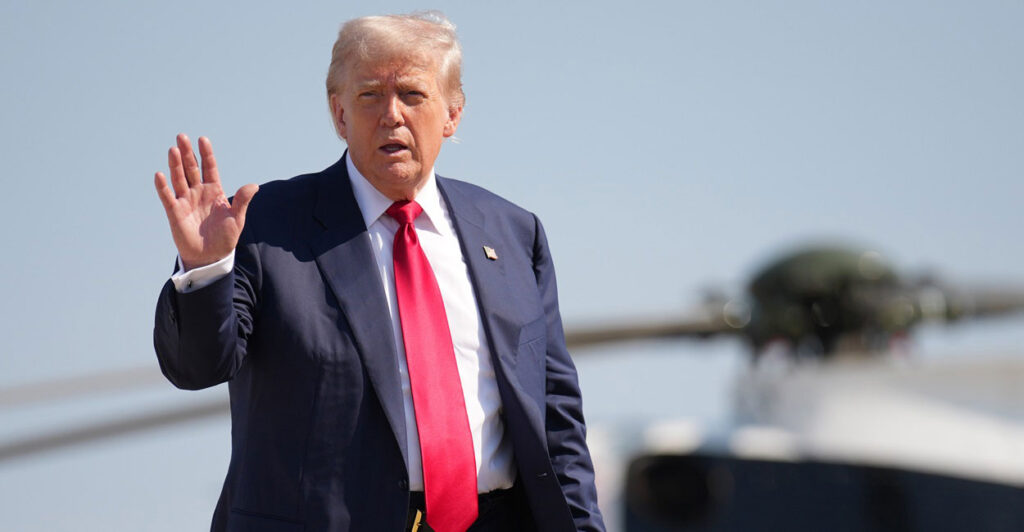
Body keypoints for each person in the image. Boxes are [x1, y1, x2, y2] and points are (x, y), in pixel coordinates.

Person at [153, 11, 604, 532]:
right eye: (369, 96)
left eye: (412, 94)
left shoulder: (512, 233)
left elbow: (555, 419)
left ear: (452, 113)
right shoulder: (266, 224)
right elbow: (196, 367)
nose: (391, 114)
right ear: (339, 113)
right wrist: (206, 268)